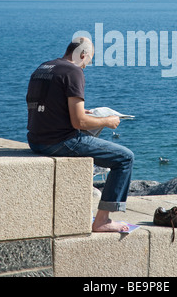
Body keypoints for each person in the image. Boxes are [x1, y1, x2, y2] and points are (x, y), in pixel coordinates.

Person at [26, 37, 134, 232]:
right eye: (88, 61)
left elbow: (46, 105)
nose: (86, 66)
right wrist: (107, 121)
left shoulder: (44, 67)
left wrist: (79, 112)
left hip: (35, 140)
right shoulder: (74, 71)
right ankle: (102, 221)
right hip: (59, 142)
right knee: (125, 158)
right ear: (82, 55)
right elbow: (79, 123)